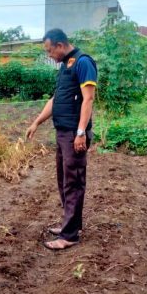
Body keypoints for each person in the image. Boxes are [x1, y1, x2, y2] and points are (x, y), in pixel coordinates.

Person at [26, 28, 97, 250]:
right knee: (63, 180)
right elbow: (57, 99)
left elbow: (88, 99)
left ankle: (70, 236)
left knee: (73, 182)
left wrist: (80, 132)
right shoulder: (66, 66)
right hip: (62, 132)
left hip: (74, 134)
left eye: (49, 51)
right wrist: (37, 121)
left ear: (59, 45)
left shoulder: (83, 62)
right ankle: (71, 225)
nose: (49, 55)